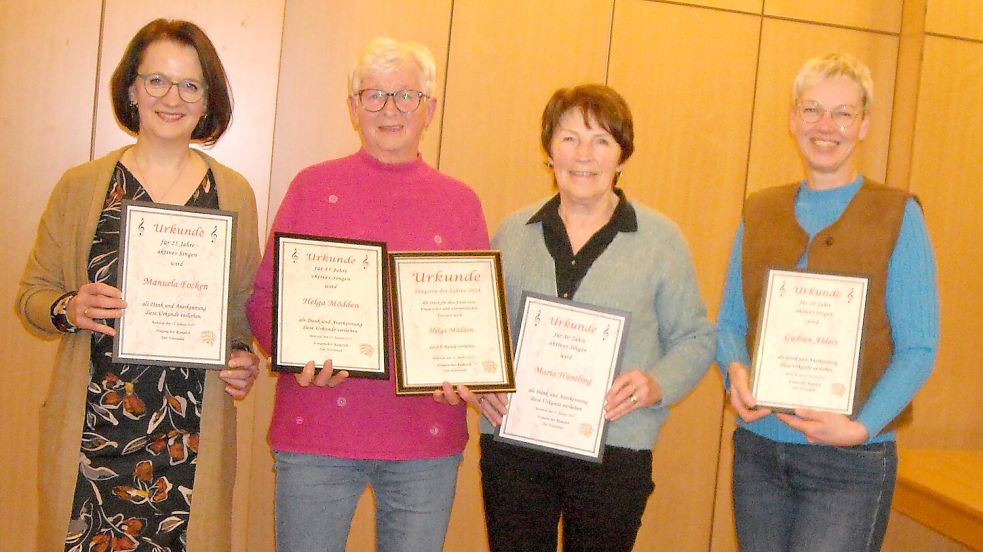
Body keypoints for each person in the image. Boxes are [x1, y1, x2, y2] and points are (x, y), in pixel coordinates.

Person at [15, 19, 262, 552]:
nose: (172, 98)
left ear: (206, 100)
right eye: (157, 81)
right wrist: (69, 306)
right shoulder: (82, 186)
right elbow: (32, 296)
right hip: (95, 432)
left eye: (190, 85)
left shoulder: (234, 192)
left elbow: (241, 307)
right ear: (131, 89)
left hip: (191, 437)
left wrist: (242, 356)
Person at [246, 37, 489, 552]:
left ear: (430, 109)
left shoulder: (460, 203)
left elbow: (472, 321)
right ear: (353, 108)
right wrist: (293, 354)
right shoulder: (312, 187)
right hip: (316, 429)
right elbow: (264, 297)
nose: (390, 109)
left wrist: (466, 371)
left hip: (425, 437)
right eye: (374, 95)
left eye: (406, 95)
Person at [451, 84, 716, 551]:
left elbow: (694, 337)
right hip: (515, 446)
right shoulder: (513, 232)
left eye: (601, 141)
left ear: (622, 155)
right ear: (549, 150)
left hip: (615, 449)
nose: (583, 155)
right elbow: (482, 332)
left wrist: (656, 384)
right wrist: (481, 381)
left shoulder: (661, 239)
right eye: (569, 138)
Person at [717, 53, 940, 551]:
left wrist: (861, 428)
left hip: (850, 466)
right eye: (813, 109)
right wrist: (734, 369)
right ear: (793, 117)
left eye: (844, 113)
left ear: (863, 125)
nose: (826, 126)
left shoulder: (897, 215)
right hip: (759, 454)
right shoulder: (761, 210)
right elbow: (730, 322)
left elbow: (920, 347)